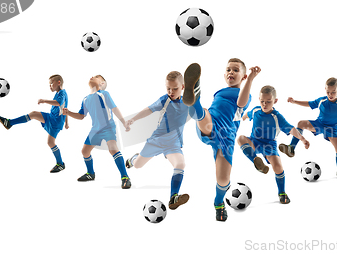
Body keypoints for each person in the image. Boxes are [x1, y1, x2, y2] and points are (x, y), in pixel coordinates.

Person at [183, 58, 260, 221]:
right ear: (224, 74)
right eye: (228, 70)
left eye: (236, 70)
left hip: (226, 137)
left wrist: (251, 79)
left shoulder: (245, 94)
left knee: (223, 179)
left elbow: (241, 102)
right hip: (210, 123)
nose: (231, 72)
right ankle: (194, 96)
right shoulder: (220, 92)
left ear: (243, 77)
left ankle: (218, 203)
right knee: (203, 113)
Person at [125, 71, 190, 210]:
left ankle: (174, 197)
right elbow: (148, 110)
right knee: (137, 165)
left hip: (173, 144)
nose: (171, 92)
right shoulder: (164, 100)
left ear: (183, 87)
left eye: (175, 89)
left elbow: (200, 114)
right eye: (168, 88)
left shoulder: (188, 102)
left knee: (180, 164)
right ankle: (132, 159)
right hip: (156, 141)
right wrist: (133, 119)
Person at [238, 85, 309, 204]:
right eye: (262, 101)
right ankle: (256, 161)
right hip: (254, 141)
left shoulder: (277, 117)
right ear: (259, 100)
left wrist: (302, 139)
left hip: (269, 145)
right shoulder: (256, 110)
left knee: (278, 166)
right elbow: (247, 114)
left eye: (268, 102)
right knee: (240, 138)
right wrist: (243, 117)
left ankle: (282, 193)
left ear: (275, 101)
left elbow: (291, 129)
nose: (264, 104)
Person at [63, 75, 131, 188]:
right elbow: (81, 116)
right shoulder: (85, 99)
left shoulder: (104, 94)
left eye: (96, 77)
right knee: (85, 151)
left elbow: (114, 108)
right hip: (95, 129)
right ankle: (90, 173)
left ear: (102, 84)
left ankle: (125, 177)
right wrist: (68, 112)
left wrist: (124, 122)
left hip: (108, 127)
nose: (92, 76)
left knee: (113, 149)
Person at [0, 74, 68, 173]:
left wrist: (44, 101)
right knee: (33, 114)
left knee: (50, 143)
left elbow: (58, 103)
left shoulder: (62, 93)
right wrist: (67, 122)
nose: (50, 86)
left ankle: (60, 164)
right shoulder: (58, 93)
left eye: (51, 83)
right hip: (51, 117)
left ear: (58, 82)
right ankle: (9, 122)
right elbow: (65, 109)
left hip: (56, 122)